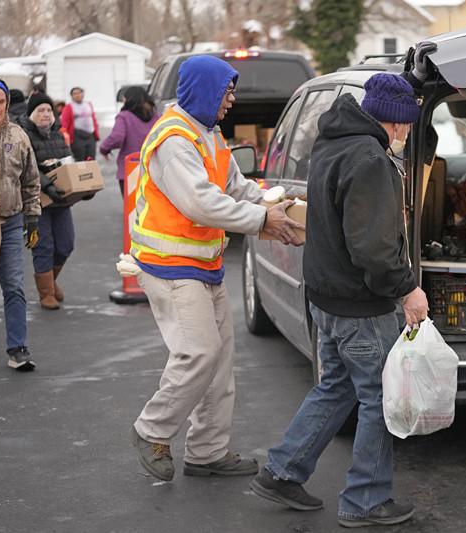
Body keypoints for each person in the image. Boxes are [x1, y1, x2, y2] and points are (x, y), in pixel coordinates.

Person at [251, 73, 429, 528]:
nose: (406, 134)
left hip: (326, 297)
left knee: (336, 387)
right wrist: (407, 288)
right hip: (360, 306)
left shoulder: (332, 143)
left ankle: (282, 471)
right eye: (406, 125)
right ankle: (365, 500)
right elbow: (373, 248)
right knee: (377, 398)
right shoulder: (370, 159)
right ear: (395, 122)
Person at [128, 55, 305, 482]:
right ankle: (151, 430)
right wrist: (264, 221)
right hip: (170, 266)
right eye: (227, 90)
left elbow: (233, 187)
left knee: (220, 360)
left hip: (201, 264)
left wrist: (270, 202)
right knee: (200, 352)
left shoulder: (208, 134)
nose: (232, 99)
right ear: (205, 91)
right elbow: (200, 202)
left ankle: (206, 452)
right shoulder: (173, 139)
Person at [0, 77, 41, 371]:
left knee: (15, 285)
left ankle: (17, 347)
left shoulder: (18, 136)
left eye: (1, 101)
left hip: (10, 221)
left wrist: (32, 218)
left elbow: (31, 181)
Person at [22, 92, 76, 310]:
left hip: (61, 201)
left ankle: (51, 281)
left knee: (65, 244)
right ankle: (46, 293)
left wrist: (82, 188)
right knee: (44, 246)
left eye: (48, 110)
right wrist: (48, 185)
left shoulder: (58, 136)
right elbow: (29, 167)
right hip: (37, 202)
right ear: (32, 115)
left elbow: (69, 164)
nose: (45, 114)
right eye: (40, 111)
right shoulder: (25, 136)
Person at [100, 87, 160, 196]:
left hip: (130, 169)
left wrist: (104, 148)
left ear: (129, 99)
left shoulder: (124, 116)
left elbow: (117, 137)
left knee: (133, 208)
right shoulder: (156, 117)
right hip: (153, 168)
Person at [60, 86, 99, 161]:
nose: (77, 95)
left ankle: (92, 172)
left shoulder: (88, 104)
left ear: (82, 94)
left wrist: (96, 131)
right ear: (71, 96)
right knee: (80, 159)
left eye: (79, 93)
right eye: (75, 93)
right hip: (77, 137)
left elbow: (93, 118)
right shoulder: (69, 107)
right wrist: (65, 137)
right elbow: (65, 123)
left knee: (91, 158)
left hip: (90, 136)